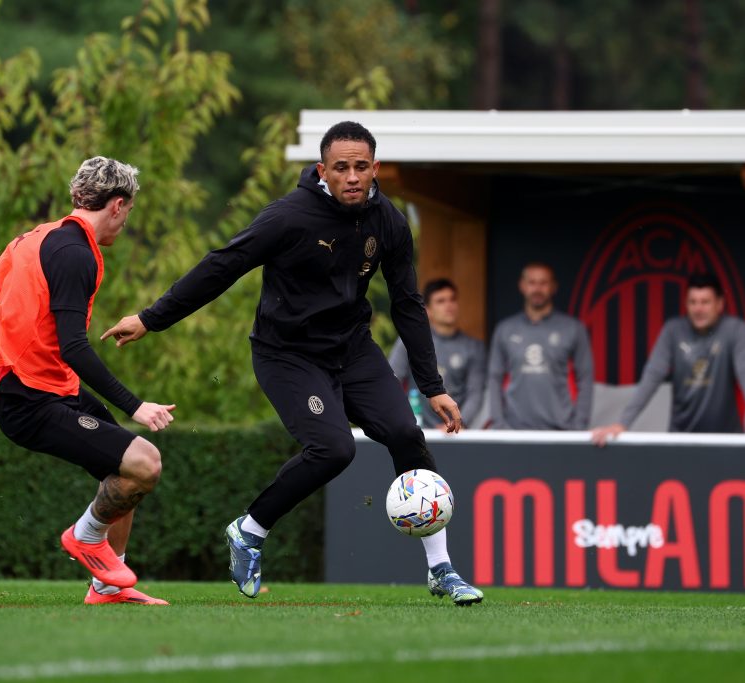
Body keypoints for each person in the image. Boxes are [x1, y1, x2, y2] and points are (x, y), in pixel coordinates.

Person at [101, 121, 484, 605]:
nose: (351, 176)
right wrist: (151, 318)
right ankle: (249, 530)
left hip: (352, 349)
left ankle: (440, 569)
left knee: (407, 434)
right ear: (323, 170)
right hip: (288, 355)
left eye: (360, 167)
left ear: (375, 169)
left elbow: (408, 302)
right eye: (341, 167)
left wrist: (432, 386)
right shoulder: (288, 216)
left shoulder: (388, 221)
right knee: (334, 448)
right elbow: (222, 266)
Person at [0, 156, 176, 606]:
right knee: (146, 463)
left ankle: (108, 586)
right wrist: (136, 406)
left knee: (124, 470)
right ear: (116, 204)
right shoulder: (75, 254)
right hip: (29, 397)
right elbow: (75, 346)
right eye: (128, 213)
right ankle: (84, 536)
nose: (124, 223)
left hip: (47, 386)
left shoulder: (32, 239)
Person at [591, 271, 745, 445]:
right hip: (681, 440)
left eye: (705, 302)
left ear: (720, 304)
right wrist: (622, 424)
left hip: (727, 441)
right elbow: (652, 377)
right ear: (686, 304)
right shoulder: (673, 330)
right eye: (693, 302)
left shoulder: (736, 330)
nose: (698, 308)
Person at [486, 262, 594, 430]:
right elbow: (494, 378)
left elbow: (585, 379)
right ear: (522, 286)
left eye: (543, 283)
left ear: (553, 287)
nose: (537, 289)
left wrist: (579, 425)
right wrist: (499, 423)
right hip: (514, 429)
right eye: (532, 282)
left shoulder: (573, 328)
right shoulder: (505, 329)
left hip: (560, 429)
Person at [388, 278, 486, 429]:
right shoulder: (409, 341)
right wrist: (403, 422)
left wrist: (460, 422)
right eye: (441, 301)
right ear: (428, 310)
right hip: (417, 429)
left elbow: (476, 393)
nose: (449, 305)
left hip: (458, 432)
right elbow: (392, 381)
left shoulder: (474, 347)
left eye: (452, 299)